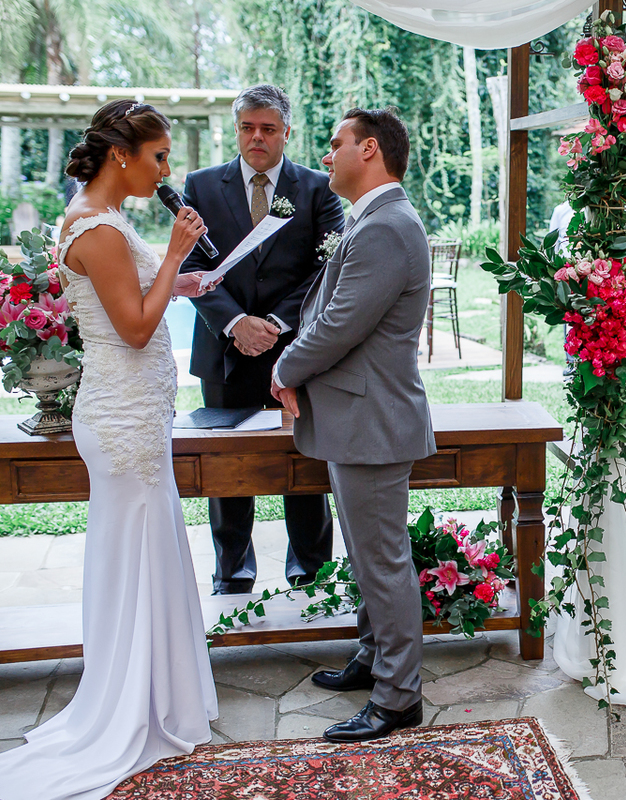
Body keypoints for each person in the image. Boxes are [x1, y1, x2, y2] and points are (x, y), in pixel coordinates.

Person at [0, 100, 219, 799]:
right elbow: (139, 330)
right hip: (123, 422)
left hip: (133, 416)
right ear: (123, 154)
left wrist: (182, 279)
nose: (166, 169)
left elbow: (129, 304)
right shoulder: (100, 227)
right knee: (136, 557)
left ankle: (159, 697)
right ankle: (132, 712)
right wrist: (175, 251)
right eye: (159, 156)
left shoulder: (101, 219)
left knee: (147, 554)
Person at [271, 107, 435, 743]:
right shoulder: (375, 221)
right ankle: (374, 659)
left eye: (336, 143)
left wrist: (285, 366)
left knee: (383, 560)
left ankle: (398, 699)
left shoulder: (386, 226)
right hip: (360, 417)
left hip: (373, 420)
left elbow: (341, 322)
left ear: (369, 150)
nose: (327, 153)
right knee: (369, 556)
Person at [182, 84, 343, 594]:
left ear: (286, 132)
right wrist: (236, 323)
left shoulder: (317, 188)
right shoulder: (201, 185)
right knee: (227, 468)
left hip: (296, 351)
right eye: (248, 127)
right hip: (223, 350)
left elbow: (328, 269)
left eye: (268, 129)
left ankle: (311, 567)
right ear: (236, 129)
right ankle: (233, 569)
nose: (257, 137)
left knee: (304, 459)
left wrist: (274, 322)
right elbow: (190, 265)